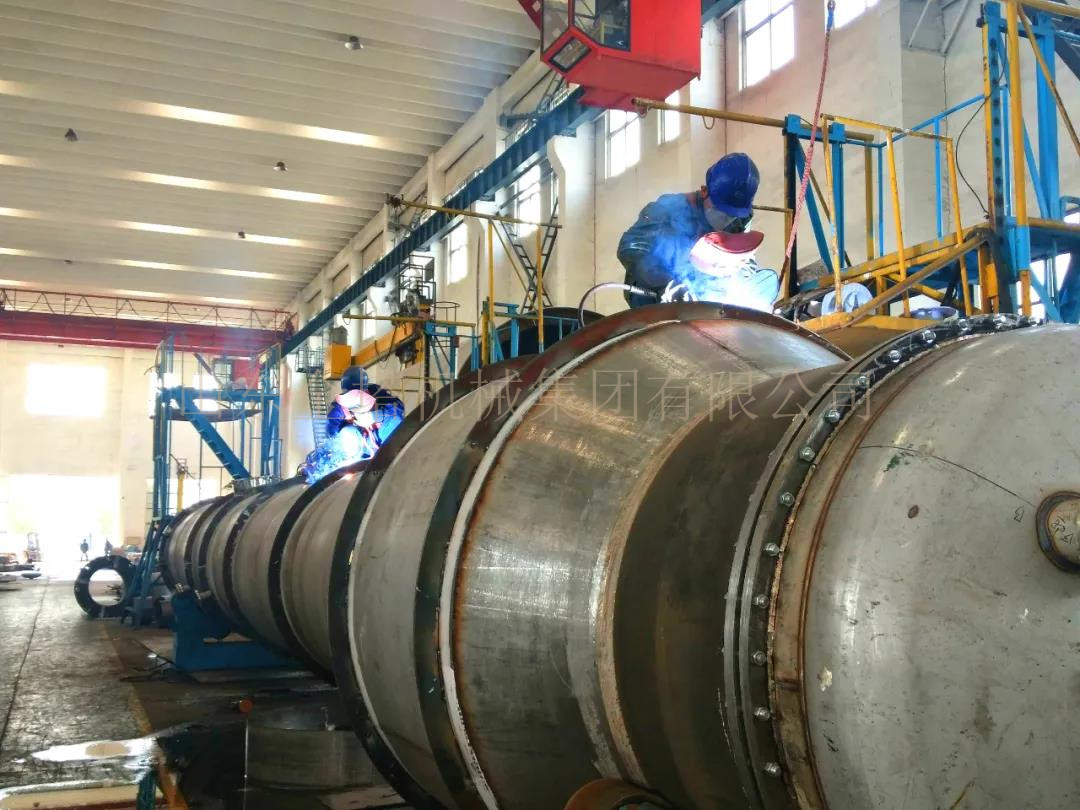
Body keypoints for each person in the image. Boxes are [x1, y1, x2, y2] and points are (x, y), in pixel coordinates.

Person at [617, 152, 779, 311]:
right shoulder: (666, 210)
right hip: (660, 296)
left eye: (732, 214)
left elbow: (746, 261)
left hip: (710, 294)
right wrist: (666, 284)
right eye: (720, 210)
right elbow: (630, 248)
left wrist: (736, 279)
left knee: (763, 286)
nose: (726, 218)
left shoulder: (740, 220)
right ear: (704, 191)